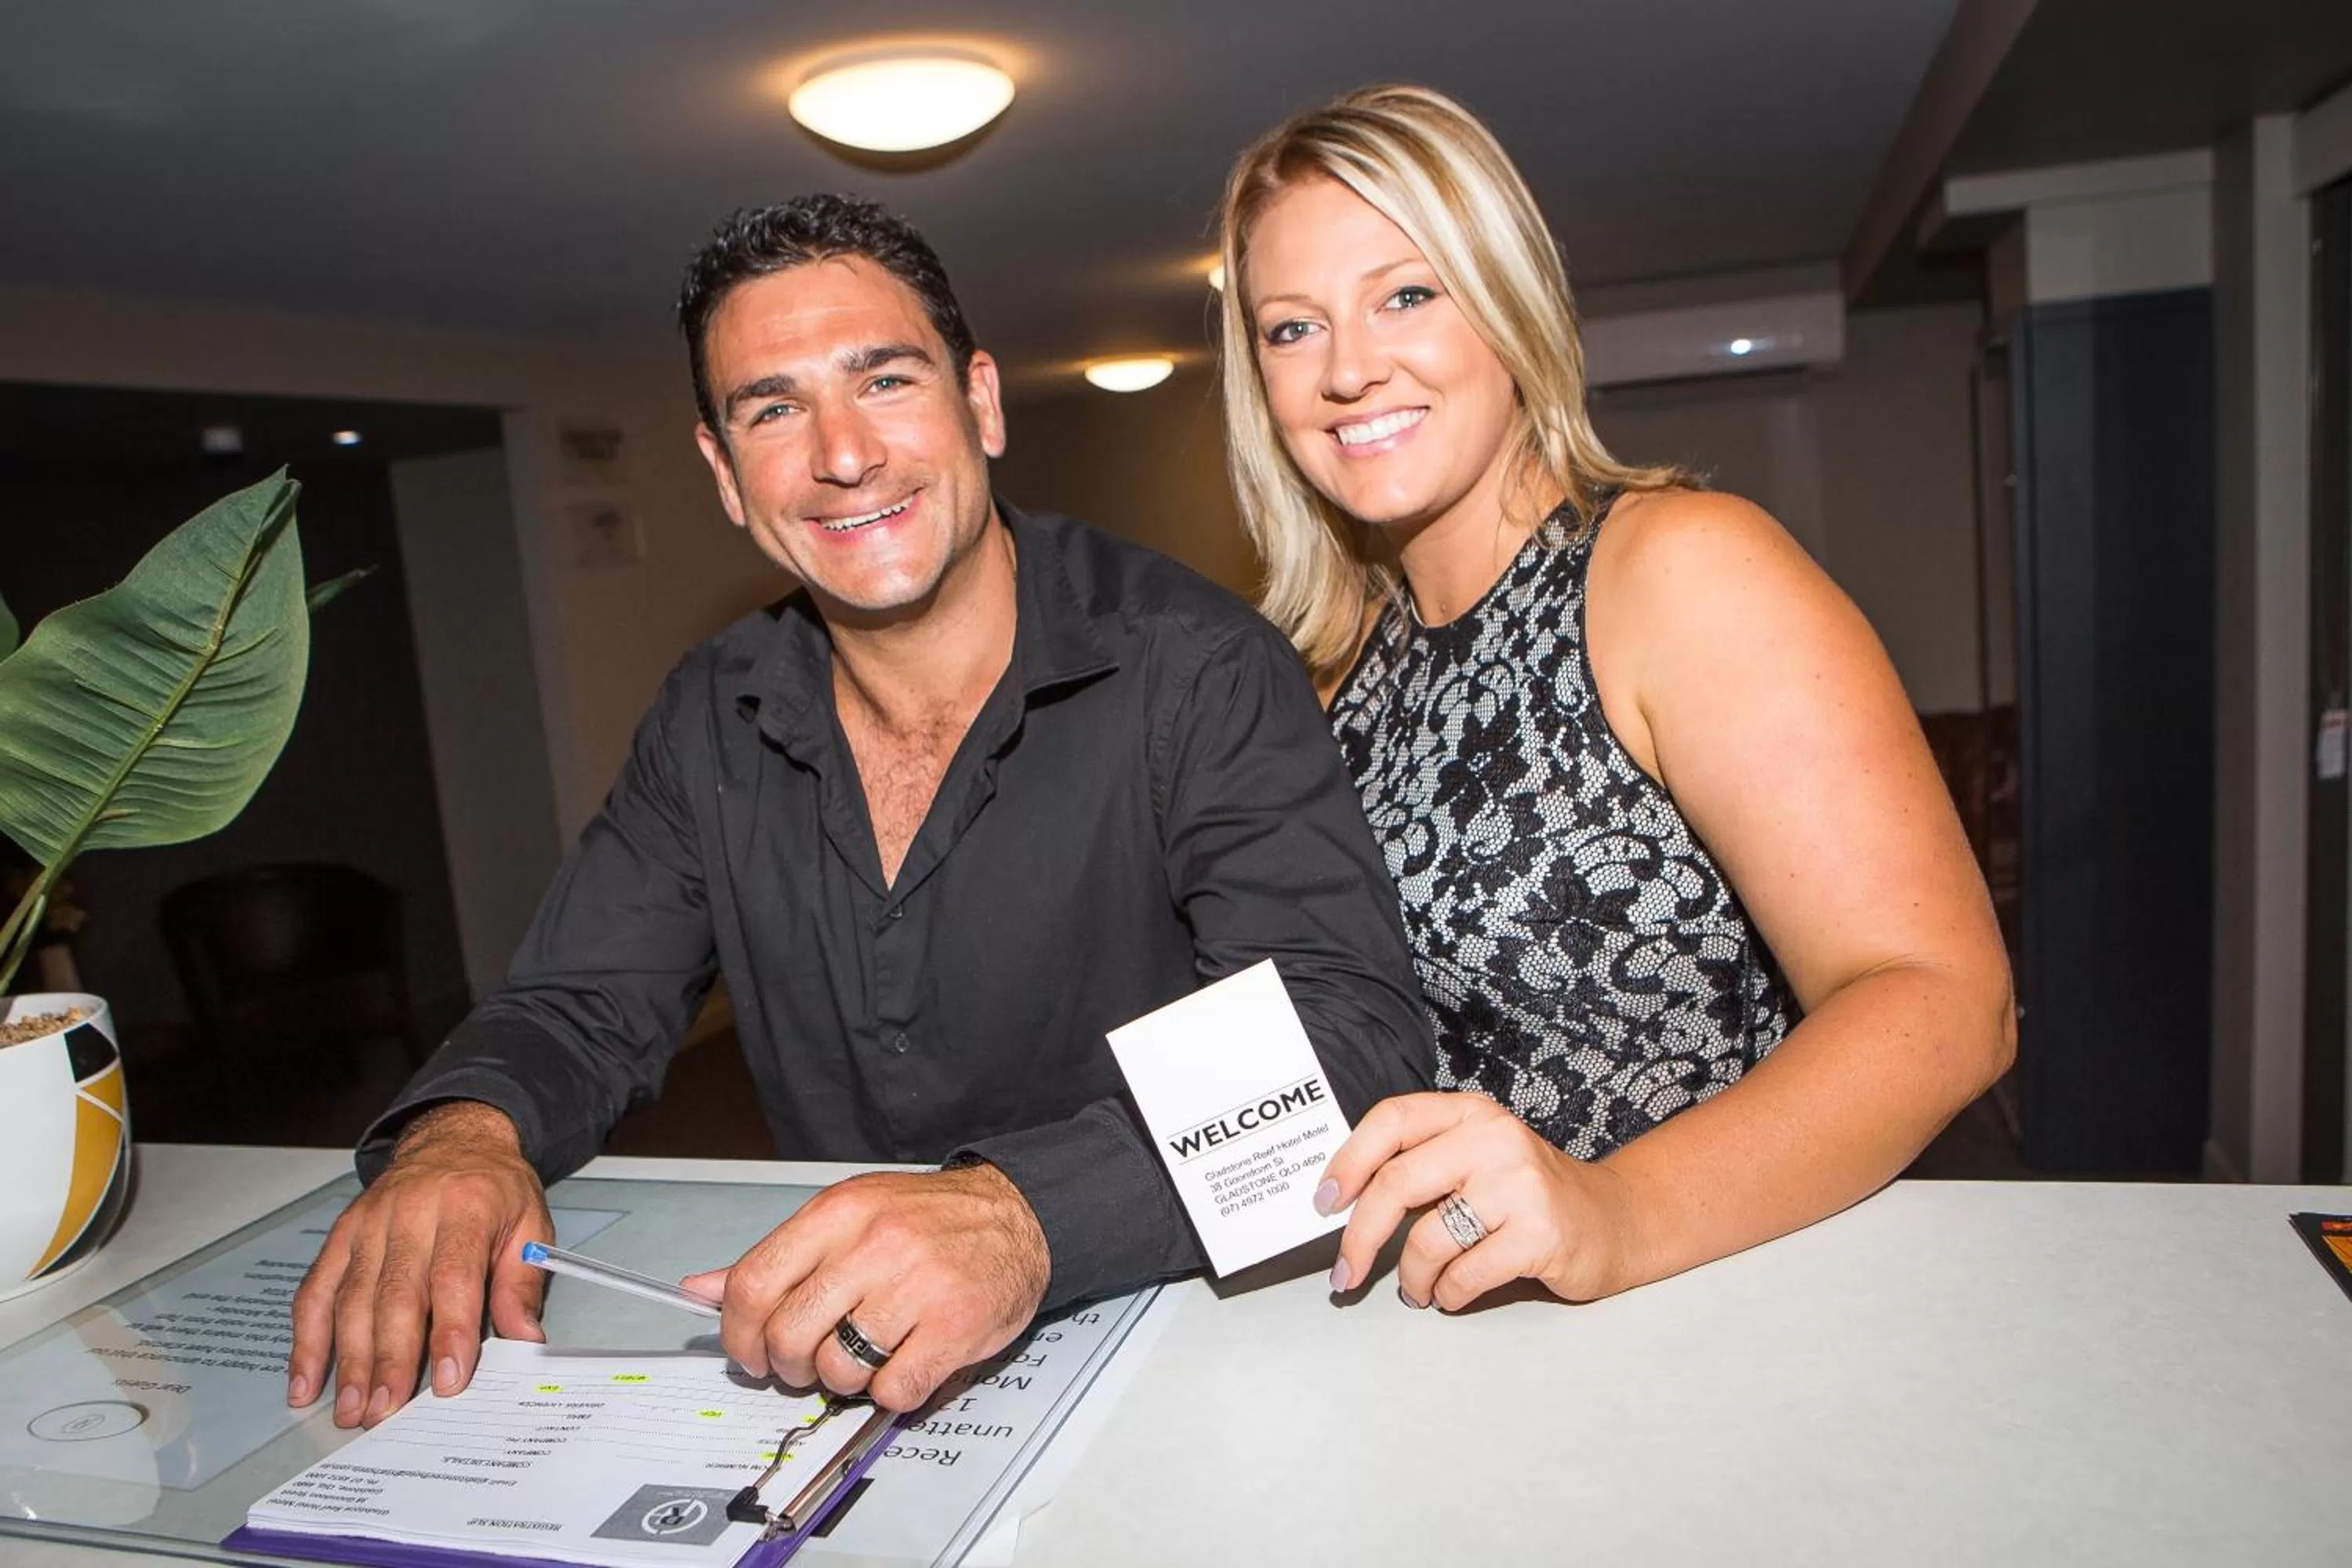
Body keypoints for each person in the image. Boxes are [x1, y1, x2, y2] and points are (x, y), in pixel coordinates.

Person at [285, 194, 1432, 1427]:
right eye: (773, 409)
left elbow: (1345, 1031)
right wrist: (465, 1138)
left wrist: (1022, 1213)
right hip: (842, 1369)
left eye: (885, 381)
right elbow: (580, 1002)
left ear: (980, 404)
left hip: (1196, 1346)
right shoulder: (708, 711)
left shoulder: (1197, 667)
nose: (842, 454)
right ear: (725, 475)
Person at [1214, 86, 2016, 1312]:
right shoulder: (1319, 671)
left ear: (1507, 300)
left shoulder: (1674, 570)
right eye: (1290, 329)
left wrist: (1615, 1212)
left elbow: (1946, 1002)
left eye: (1407, 294)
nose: (1350, 368)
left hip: (1709, 1313)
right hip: (1432, 1343)